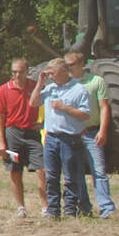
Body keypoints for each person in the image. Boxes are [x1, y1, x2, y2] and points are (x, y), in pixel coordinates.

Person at [30, 57, 91, 218]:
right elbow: (33, 103)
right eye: (48, 74)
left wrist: (65, 108)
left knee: (70, 176)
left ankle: (70, 209)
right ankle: (53, 210)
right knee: (51, 175)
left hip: (70, 139)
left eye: (53, 73)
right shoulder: (50, 89)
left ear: (64, 71)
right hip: (51, 138)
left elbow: (85, 114)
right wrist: (39, 83)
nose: (51, 76)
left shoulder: (79, 90)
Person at [0, 57, 46, 218]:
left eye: (21, 71)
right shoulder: (4, 90)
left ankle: (46, 208)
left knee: (42, 169)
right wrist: (1, 141)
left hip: (32, 133)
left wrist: (43, 123)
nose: (17, 75)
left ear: (27, 71)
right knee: (15, 171)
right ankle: (21, 208)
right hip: (13, 133)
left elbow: (51, 105)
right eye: (14, 72)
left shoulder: (35, 86)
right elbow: (0, 118)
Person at [66, 52, 116, 219]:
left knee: (99, 171)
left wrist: (103, 130)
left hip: (92, 132)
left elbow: (104, 108)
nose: (69, 68)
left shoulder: (96, 82)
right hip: (72, 134)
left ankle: (106, 208)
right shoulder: (66, 84)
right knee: (76, 172)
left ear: (82, 63)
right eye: (67, 65)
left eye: (72, 64)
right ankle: (84, 207)